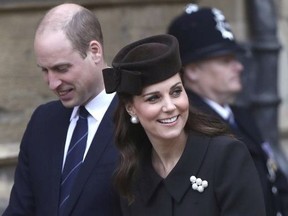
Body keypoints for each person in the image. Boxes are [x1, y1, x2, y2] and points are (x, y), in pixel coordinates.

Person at [102, 34, 266, 215]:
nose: (170, 106)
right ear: (131, 109)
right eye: (154, 98)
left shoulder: (225, 156)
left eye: (176, 92)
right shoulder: (132, 174)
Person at [167, 4, 288, 216]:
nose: (239, 67)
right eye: (225, 60)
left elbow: (276, 183)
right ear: (193, 70)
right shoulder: (189, 127)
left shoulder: (242, 116)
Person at [3, 3, 122, 216]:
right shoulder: (43, 121)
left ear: (94, 51)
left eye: (61, 69)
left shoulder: (138, 117)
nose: (52, 83)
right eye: (45, 70)